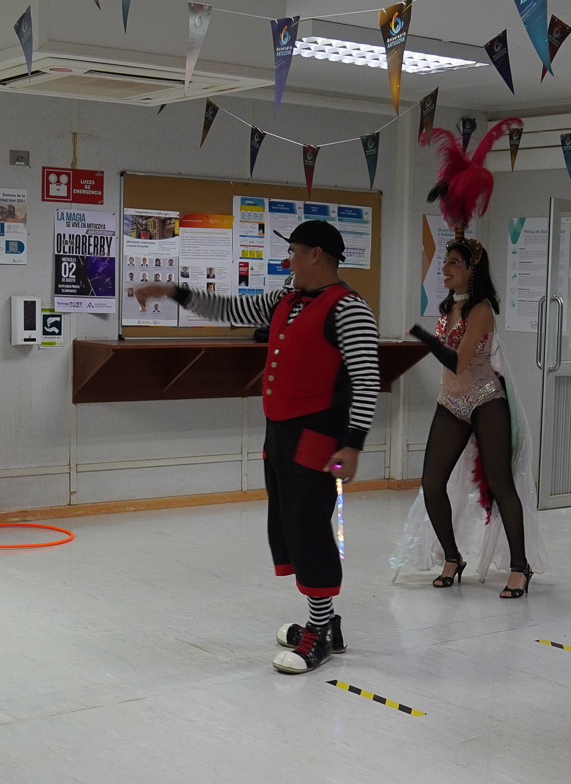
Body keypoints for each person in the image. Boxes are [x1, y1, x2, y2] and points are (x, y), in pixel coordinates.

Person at [133, 219, 379, 675]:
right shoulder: (284, 299)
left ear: (316, 255)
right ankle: (325, 621)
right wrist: (171, 291)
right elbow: (230, 307)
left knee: (308, 528)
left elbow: (366, 380)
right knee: (288, 528)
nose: (288, 261)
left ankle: (320, 631)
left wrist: (354, 445)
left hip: (319, 436)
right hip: (280, 433)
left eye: (294, 252)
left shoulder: (349, 309)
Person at [397, 236, 546, 596]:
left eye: (453, 263)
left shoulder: (481, 310)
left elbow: (459, 361)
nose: (445, 269)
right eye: (445, 262)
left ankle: (519, 566)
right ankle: (452, 557)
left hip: (485, 399)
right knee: (432, 482)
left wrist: (422, 336)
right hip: (451, 401)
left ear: (471, 270)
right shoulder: (450, 306)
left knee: (500, 483)